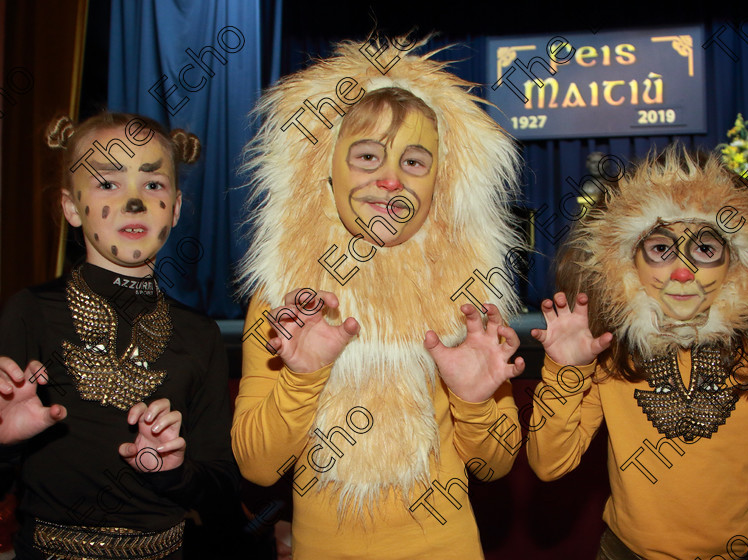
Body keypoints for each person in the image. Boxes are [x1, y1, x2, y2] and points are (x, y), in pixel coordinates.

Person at [232, 36, 525, 559]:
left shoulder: (469, 302)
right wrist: (302, 377)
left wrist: (475, 401)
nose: (389, 180)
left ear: (442, 182)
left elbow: (496, 464)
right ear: (326, 168)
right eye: (367, 156)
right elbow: (257, 466)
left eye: (415, 162)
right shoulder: (283, 302)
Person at [526, 146, 748, 560]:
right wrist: (566, 372)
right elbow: (550, 463)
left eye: (705, 251)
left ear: (738, 264)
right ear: (627, 263)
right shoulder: (609, 357)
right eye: (660, 249)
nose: (682, 272)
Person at [0, 112, 239, 560]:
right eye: (108, 183)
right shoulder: (30, 312)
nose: (135, 202)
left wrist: (172, 471)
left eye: (152, 185)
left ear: (178, 206)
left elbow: (220, 485)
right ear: (71, 207)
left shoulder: (200, 334)